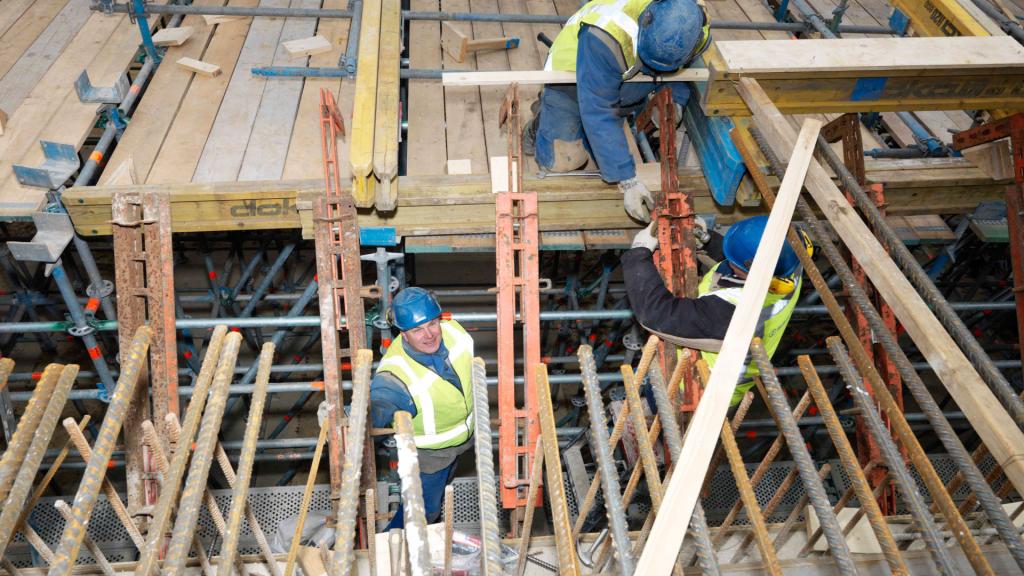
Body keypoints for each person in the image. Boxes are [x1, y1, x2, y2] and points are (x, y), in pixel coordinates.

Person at [522, 0, 711, 222]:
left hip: (627, 75)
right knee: (564, 161)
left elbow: (685, 67)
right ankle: (541, 122)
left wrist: (676, 98)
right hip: (572, 76)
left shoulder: (694, 25)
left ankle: (610, 118)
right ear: (645, 23)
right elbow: (599, 110)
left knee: (612, 114)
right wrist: (627, 179)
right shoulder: (605, 36)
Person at [622, 216, 813, 404]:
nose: (729, 264)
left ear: (754, 273)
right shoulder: (790, 261)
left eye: (735, 263)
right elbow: (748, 259)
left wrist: (638, 255)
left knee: (658, 399)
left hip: (704, 389)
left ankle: (646, 410)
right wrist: (708, 241)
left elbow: (657, 315)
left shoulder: (734, 314)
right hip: (719, 347)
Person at [369, 287, 475, 530]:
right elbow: (381, 401)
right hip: (431, 456)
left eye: (431, 324)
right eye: (417, 330)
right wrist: (362, 416)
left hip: (461, 442)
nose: (429, 335)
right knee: (422, 512)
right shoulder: (395, 373)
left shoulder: (456, 333)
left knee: (444, 486)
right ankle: (390, 550)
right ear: (403, 334)